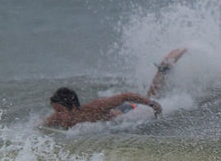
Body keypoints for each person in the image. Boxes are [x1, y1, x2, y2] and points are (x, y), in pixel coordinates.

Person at [42, 48, 185, 129]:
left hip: (128, 111)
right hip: (118, 115)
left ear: (72, 107)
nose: (57, 115)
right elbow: (39, 127)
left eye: (60, 110)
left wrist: (151, 104)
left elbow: (125, 96)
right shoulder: (58, 118)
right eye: (56, 111)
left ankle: (164, 69)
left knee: (154, 97)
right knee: (152, 94)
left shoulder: (93, 108)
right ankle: (163, 71)